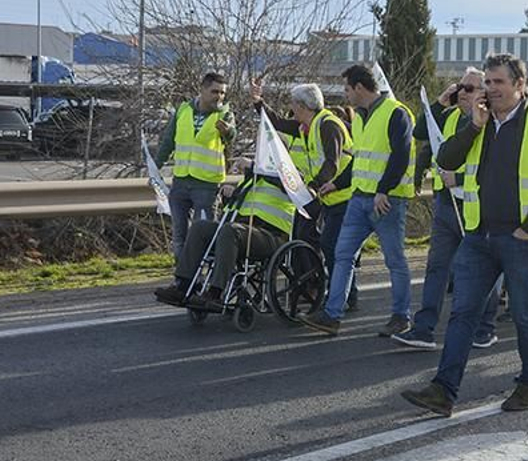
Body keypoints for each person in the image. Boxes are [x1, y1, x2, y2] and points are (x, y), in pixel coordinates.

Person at [400, 53, 528, 417]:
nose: (490, 90)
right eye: (487, 83)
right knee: (462, 313)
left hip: (522, 239)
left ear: (520, 85)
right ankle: (443, 390)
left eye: (498, 82)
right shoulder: (478, 122)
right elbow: (446, 160)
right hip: (479, 235)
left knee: (525, 315)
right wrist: (473, 127)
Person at [394, 68, 502, 351]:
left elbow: (498, 167)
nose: (462, 93)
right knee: (437, 266)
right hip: (446, 203)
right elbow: (419, 132)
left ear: (484, 94)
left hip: (475, 204)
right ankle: (424, 328)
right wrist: (441, 101)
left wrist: (461, 178)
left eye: (470, 88)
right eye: (460, 87)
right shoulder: (450, 116)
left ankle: (485, 327)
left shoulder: (492, 123)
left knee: (481, 269)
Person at [301, 65, 413, 337]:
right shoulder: (361, 118)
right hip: (359, 199)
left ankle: (401, 316)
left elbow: (400, 155)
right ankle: (332, 315)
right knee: (342, 255)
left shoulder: (396, 113)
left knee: (394, 260)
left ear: (360, 88)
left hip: (387, 202)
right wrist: (336, 183)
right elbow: (360, 161)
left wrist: (384, 190)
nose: (345, 94)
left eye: (347, 88)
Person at [154, 155, 294, 309]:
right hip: (244, 231)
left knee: (230, 231)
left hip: (271, 235)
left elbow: (288, 183)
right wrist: (231, 195)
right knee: (200, 227)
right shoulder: (251, 180)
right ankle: (184, 286)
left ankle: (215, 293)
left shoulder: (287, 176)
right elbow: (234, 210)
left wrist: (254, 166)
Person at [251, 80, 353, 288]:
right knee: (304, 236)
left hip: (343, 196)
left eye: (293, 103)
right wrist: (258, 101)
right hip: (324, 195)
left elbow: (331, 163)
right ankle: (314, 285)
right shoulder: (307, 126)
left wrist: (314, 186)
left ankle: (341, 291)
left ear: (302, 106)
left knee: (333, 246)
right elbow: (277, 123)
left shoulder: (328, 125)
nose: (291, 107)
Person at [153, 72, 235, 270]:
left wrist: (227, 131)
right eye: (215, 91)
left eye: (222, 93)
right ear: (202, 89)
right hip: (181, 182)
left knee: (202, 235)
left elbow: (231, 135)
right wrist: (155, 168)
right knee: (179, 235)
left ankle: (201, 275)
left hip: (207, 185)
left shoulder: (225, 114)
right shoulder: (183, 110)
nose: (219, 97)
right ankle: (182, 277)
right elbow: (168, 142)